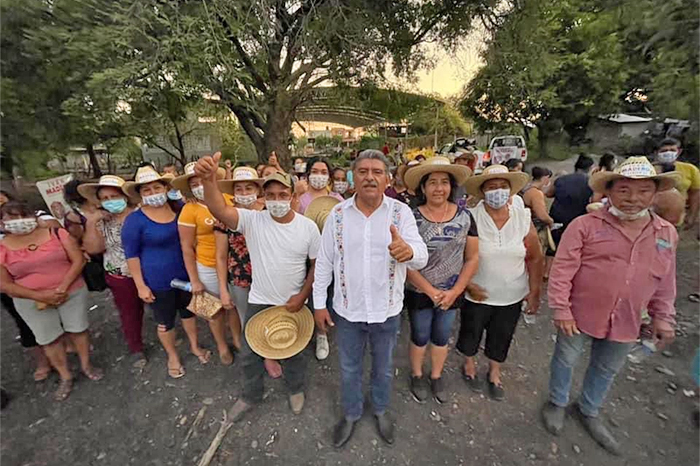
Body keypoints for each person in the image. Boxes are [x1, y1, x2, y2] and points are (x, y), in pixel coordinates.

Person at [542, 157, 679, 456]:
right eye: (624, 190)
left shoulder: (665, 233)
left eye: (643, 191)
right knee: (566, 359)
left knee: (606, 368)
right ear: (610, 191)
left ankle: (588, 409)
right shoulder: (585, 226)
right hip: (580, 312)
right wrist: (561, 309)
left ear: (655, 194)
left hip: (629, 318)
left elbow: (665, 279)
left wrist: (663, 317)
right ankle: (557, 401)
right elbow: (562, 270)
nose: (633, 199)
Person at [313, 150, 429, 448]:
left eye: (377, 172)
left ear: (387, 179)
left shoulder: (400, 214)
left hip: (386, 311)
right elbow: (324, 262)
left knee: (383, 367)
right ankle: (351, 413)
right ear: (354, 178)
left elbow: (421, 254)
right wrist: (319, 304)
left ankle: (379, 409)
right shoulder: (338, 215)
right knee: (349, 368)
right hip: (347, 311)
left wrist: (409, 251)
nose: (370, 177)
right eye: (363, 171)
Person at [197, 154, 321, 421]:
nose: (277, 200)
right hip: (259, 300)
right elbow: (219, 210)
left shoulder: (308, 228)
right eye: (271, 195)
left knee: (295, 352)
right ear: (264, 197)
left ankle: (295, 389)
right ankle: (251, 394)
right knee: (250, 353)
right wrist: (208, 180)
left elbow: (316, 266)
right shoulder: (253, 220)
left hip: (292, 302)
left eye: (282, 194)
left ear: (292, 196)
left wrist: (303, 295)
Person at [0, 201, 103, 401]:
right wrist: (39, 296)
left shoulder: (56, 233)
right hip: (31, 301)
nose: (18, 221)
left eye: (23, 215)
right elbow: (4, 284)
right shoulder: (2, 248)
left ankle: (86, 365)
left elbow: (78, 260)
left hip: (71, 291)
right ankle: (65, 375)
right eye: (11, 218)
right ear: (2, 223)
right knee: (49, 339)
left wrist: (62, 287)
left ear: (33, 216)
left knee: (78, 329)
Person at [458, 165, 544, 400]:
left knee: (502, 334)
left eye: (503, 186)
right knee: (471, 332)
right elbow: (458, 256)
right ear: (482, 191)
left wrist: (535, 291)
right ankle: (469, 364)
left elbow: (535, 257)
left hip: (512, 293)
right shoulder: (470, 217)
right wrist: (466, 285)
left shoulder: (522, 217)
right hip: (477, 292)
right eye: (492, 187)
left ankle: (494, 372)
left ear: (510, 190)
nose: (497, 191)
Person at [121, 164, 211, 379]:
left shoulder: (179, 209)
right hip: (158, 280)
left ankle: (194, 346)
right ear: (140, 194)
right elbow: (131, 255)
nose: (153, 193)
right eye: (147, 190)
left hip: (186, 273)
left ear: (165, 188)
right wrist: (140, 286)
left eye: (157, 188)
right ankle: (172, 356)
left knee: (189, 312)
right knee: (165, 321)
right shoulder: (135, 220)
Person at [402, 157, 479, 404]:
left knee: (442, 335)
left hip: (451, 292)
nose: (439, 188)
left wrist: (455, 291)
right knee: (420, 334)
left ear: (451, 187)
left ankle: (436, 376)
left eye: (444, 182)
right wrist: (430, 291)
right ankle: (416, 374)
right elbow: (403, 260)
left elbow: (472, 257)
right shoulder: (411, 218)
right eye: (432, 182)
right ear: (423, 188)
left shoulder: (465, 217)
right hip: (419, 290)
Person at [79, 175, 147, 367]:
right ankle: (136, 348)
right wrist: (91, 223)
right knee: (129, 313)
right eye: (105, 198)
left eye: (114, 196)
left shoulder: (141, 213)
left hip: (149, 270)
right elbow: (93, 249)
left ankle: (170, 336)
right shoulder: (101, 222)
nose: (110, 201)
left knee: (164, 306)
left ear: (125, 196)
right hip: (120, 275)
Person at [172, 162, 234, 366]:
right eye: (194, 184)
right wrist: (194, 280)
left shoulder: (228, 199)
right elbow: (186, 247)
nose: (200, 186)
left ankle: (238, 339)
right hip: (207, 266)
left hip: (233, 264)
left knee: (233, 306)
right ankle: (222, 346)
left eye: (203, 181)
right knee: (214, 310)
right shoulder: (189, 210)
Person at [0, 191, 52, 382]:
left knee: (58, 316)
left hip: (49, 278)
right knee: (24, 323)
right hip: (14, 288)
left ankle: (65, 348)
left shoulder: (34, 217)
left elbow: (53, 224)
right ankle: (42, 362)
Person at [546, 153, 594, 251]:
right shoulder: (591, 183)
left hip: (558, 221)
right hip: (578, 222)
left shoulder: (561, 179)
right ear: (590, 168)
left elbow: (549, 194)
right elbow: (594, 201)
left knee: (554, 249)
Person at [655, 137, 700, 228]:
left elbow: (695, 194)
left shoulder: (690, 169)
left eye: (672, 150)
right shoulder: (650, 169)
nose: (668, 153)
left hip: (678, 218)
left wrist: (692, 216)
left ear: (679, 151)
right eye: (664, 151)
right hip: (653, 217)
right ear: (657, 153)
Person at [521, 167, 556, 261]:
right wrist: (551, 221)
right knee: (537, 257)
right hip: (536, 229)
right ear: (545, 178)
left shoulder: (526, 188)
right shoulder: (536, 193)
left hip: (525, 227)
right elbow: (541, 215)